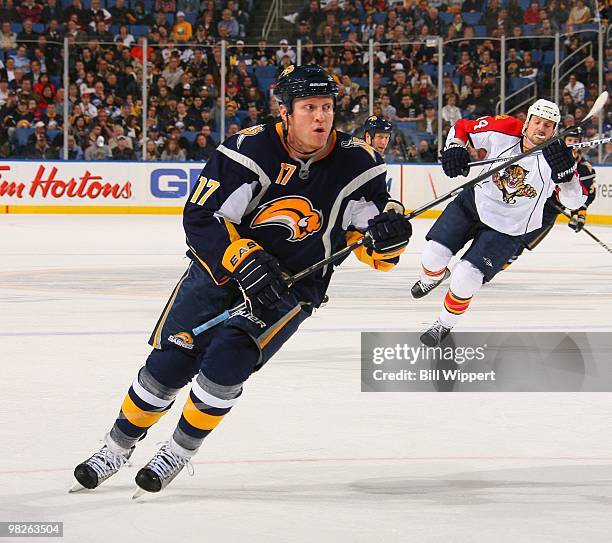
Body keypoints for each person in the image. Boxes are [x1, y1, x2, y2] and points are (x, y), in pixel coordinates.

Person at [71, 65, 412, 496]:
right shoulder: (246, 151)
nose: (320, 117)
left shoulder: (359, 163)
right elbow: (200, 216)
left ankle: (178, 450)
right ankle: (116, 447)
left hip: (289, 287)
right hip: (219, 274)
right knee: (168, 365)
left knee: (226, 365)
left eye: (326, 107)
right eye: (309, 107)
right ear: (285, 112)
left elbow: (368, 240)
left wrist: (389, 238)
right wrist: (243, 260)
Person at [411, 99, 587, 346]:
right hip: (473, 203)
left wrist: (567, 176)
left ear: (555, 130)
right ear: (527, 122)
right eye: (537, 122)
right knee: (432, 255)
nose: (541, 128)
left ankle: (443, 323)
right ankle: (432, 278)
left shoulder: (559, 158)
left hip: (509, 228)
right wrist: (454, 148)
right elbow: (462, 127)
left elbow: (575, 199)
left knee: (465, 278)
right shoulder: (503, 127)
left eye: (548, 125)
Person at [500, 126, 597, 270]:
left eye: (576, 141)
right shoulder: (549, 157)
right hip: (530, 203)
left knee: (522, 244)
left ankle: (492, 269)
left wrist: (579, 214)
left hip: (549, 212)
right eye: (569, 140)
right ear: (563, 141)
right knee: (505, 233)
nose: (572, 144)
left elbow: (585, 196)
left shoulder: (584, 168)